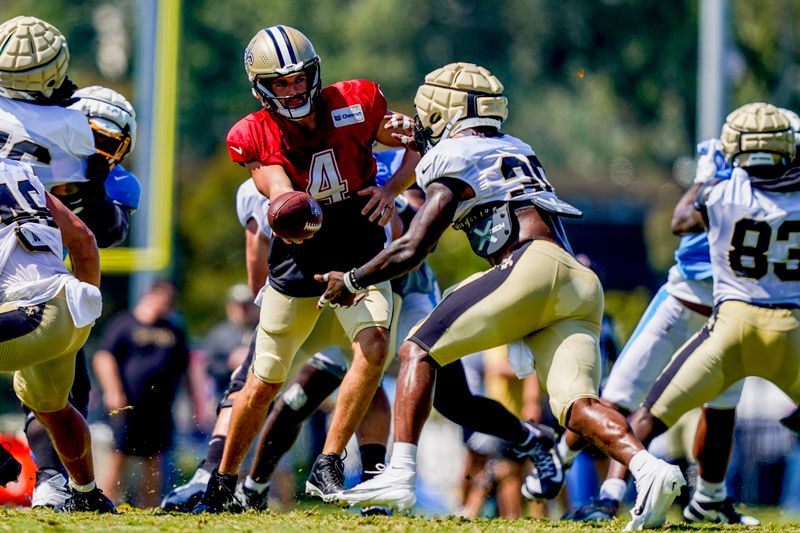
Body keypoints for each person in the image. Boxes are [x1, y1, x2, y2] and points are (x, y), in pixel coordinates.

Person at [318, 62, 685, 530]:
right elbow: (470, 158)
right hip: (576, 280)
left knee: (416, 347)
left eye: (429, 108)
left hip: (528, 265)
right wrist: (422, 141)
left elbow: (413, 247)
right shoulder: (517, 146)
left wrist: (352, 279)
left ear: (447, 108)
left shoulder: (452, 157)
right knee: (576, 406)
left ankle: (400, 474)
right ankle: (649, 469)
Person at [559, 138, 756, 525]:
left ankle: (710, 500)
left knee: (720, 410)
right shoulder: (726, 180)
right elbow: (680, 222)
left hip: (734, 310)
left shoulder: (772, 187)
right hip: (687, 299)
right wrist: (707, 183)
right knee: (627, 400)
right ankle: (591, 482)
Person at [628, 102, 800, 526]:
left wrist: (706, 175)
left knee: (650, 415)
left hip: (732, 328)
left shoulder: (721, 192)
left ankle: (620, 491)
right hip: (792, 329)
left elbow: (681, 221)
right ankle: (700, 499)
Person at [0, 15, 141, 508]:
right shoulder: (61, 134)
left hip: (44, 281)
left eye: (108, 141)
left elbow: (106, 233)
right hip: (46, 284)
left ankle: (61, 482)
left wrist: (94, 182)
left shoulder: (97, 169)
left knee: (59, 394)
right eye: (94, 135)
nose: (97, 145)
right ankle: (66, 485)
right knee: (50, 396)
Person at [0, 159, 114, 513]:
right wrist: (86, 315)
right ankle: (87, 493)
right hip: (69, 306)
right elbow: (84, 239)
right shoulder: (21, 173)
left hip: (31, 312)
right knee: (54, 408)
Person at [92, 280, 193, 508]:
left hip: (159, 407)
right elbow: (104, 357)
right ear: (151, 297)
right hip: (127, 405)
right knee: (119, 455)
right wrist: (113, 390)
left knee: (154, 458)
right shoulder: (124, 324)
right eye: (165, 301)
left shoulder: (172, 329)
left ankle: (149, 507)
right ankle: (108, 503)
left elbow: (185, 367)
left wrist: (196, 401)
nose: (167, 307)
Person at [204, 283, 259, 400]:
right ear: (230, 307)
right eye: (239, 306)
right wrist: (230, 363)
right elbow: (209, 366)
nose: (244, 310)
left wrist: (252, 359)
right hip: (227, 396)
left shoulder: (264, 331)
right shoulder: (219, 334)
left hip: (259, 398)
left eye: (248, 305)